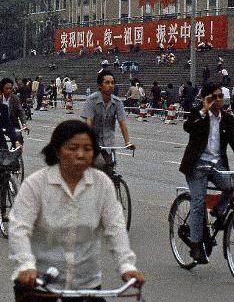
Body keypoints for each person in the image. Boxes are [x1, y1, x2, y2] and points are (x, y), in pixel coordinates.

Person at [10, 120, 144, 300]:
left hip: (86, 287)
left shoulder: (102, 184)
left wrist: (127, 266)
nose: (80, 155)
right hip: (41, 287)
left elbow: (115, 228)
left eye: (87, 149)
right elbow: (19, 227)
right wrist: (25, 264)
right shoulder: (36, 184)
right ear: (58, 150)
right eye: (73, 148)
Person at [180, 82, 234, 264]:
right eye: (214, 97)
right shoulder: (198, 114)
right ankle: (196, 245)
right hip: (197, 165)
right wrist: (203, 110)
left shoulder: (227, 119)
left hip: (217, 164)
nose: (218, 100)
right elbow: (188, 127)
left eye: (220, 96)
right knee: (198, 202)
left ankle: (217, 211)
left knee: (231, 187)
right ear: (206, 98)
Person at [81, 71, 134, 177]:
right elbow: (88, 123)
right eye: (107, 82)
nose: (111, 85)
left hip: (109, 143)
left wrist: (127, 142)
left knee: (110, 169)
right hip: (94, 143)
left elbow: (122, 123)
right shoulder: (91, 100)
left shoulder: (117, 102)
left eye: (112, 83)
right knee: (99, 165)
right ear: (100, 85)